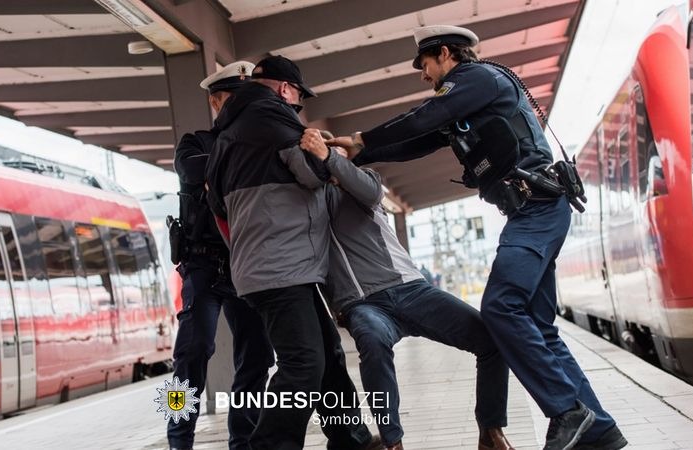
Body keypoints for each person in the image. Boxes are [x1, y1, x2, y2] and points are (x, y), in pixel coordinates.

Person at [328, 25, 626, 450]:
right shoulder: (467, 100)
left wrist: (362, 138)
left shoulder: (478, 79)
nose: (423, 75)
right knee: (539, 329)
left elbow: (424, 117)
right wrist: (363, 152)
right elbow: (423, 138)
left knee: (501, 309)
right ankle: (598, 431)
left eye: (425, 65)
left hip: (537, 208)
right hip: (532, 210)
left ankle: (568, 412)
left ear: (446, 54)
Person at [293, 137, 513, 450]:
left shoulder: (365, 183)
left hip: (411, 289)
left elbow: (367, 190)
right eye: (328, 158)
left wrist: (330, 156)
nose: (335, 161)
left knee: (491, 340)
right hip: (363, 305)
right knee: (372, 340)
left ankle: (490, 432)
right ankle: (393, 442)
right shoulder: (306, 204)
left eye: (339, 157)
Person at [205, 55, 380, 450]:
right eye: (297, 99)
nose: (296, 108)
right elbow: (312, 172)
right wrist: (326, 156)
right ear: (286, 89)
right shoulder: (271, 112)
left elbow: (215, 203)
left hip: (270, 264)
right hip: (279, 265)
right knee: (303, 365)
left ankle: (349, 438)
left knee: (327, 355)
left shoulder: (225, 137)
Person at [169, 61, 275, 450]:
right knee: (191, 354)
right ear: (216, 102)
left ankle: (243, 439)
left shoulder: (254, 139)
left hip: (246, 264)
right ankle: (177, 437)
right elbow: (192, 171)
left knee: (258, 355)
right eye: (233, 97)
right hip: (202, 265)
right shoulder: (195, 143)